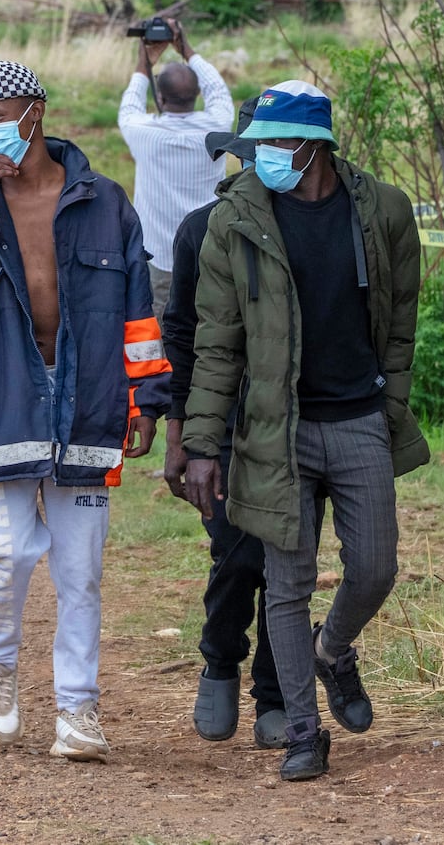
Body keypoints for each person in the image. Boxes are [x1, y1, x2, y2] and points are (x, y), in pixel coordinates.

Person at [0, 60, 170, 763]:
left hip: (86, 400)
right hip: (1, 397)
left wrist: (146, 394)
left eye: (1, 117)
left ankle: (78, 709)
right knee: (10, 546)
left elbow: (138, 306)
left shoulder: (103, 200)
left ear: (36, 114)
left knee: (81, 566)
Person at [181, 80, 429, 782]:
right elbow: (216, 341)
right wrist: (201, 442)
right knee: (285, 584)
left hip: (358, 419)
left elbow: (402, 317)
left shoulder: (381, 210)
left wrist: (391, 403)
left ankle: (334, 649)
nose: (257, 158)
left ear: (310, 144)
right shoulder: (237, 222)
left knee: (375, 566)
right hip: (275, 429)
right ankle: (301, 730)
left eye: (269, 145)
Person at [159, 107, 301, 751]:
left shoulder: (314, 228)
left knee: (286, 560)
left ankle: (274, 695)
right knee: (237, 551)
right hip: (220, 420)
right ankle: (220, 659)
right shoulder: (200, 230)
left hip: (295, 420)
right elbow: (182, 340)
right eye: (251, 151)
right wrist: (181, 436)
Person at [116, 17, 235, 319]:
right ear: (197, 96)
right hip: (211, 251)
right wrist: (186, 48)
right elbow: (219, 91)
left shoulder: (144, 134)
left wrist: (144, 61)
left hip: (162, 257)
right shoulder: (218, 128)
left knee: (165, 325)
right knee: (213, 320)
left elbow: (129, 105)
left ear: (161, 97)